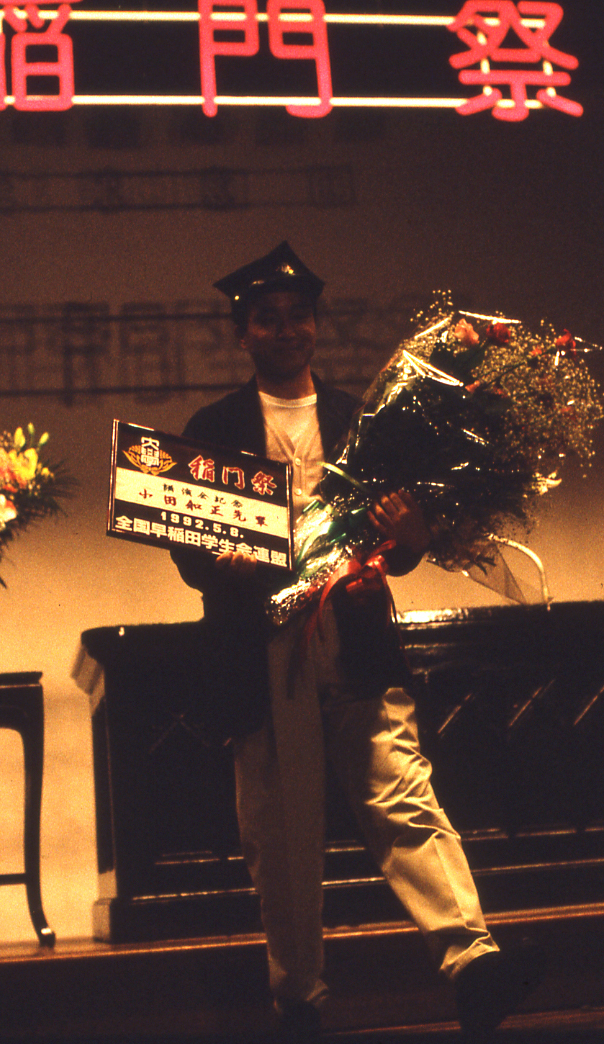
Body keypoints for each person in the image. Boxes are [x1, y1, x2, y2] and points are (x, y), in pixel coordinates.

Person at [171, 242, 542, 1038]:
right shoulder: (212, 430)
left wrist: (405, 540)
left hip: (358, 638)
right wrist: (221, 561)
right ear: (243, 333)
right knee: (281, 836)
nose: (285, 330)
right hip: (258, 652)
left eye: (296, 316)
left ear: (314, 325)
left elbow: (399, 545)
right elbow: (188, 552)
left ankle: (472, 963)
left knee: (403, 796)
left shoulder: (361, 420)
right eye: (267, 319)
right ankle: (298, 1000)